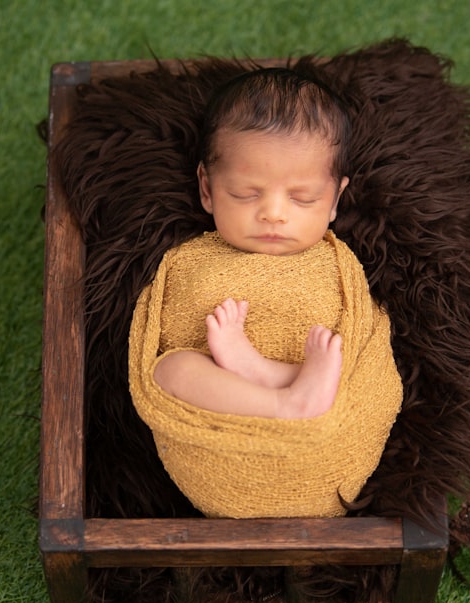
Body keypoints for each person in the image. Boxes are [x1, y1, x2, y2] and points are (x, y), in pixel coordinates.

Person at [148, 66, 370, 421]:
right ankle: (281, 400)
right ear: (207, 189)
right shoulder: (188, 260)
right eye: (245, 194)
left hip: (327, 422)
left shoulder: (339, 266)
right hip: (222, 421)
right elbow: (165, 332)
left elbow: (365, 355)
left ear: (334, 201)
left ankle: (272, 381)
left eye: (303, 198)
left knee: (347, 362)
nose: (273, 214)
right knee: (170, 370)